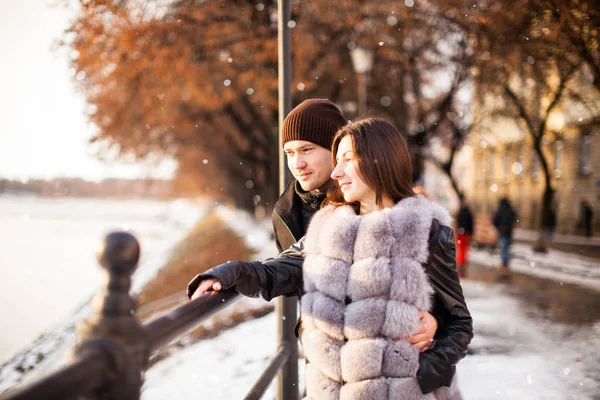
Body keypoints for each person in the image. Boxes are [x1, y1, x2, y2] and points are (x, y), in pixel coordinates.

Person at [188, 102, 472, 395]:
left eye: (347, 159)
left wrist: (425, 372)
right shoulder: (327, 225)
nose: (336, 172)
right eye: (290, 153)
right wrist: (228, 274)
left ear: (379, 160)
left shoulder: (425, 227)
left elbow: (459, 321)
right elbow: (279, 270)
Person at [492, 197, 517, 275]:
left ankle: (504, 265)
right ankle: (506, 264)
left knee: (504, 248)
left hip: (502, 232)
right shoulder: (510, 210)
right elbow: (515, 219)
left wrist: (499, 227)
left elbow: (495, 220)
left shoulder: (500, 210)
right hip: (509, 232)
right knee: (506, 248)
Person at [455, 196, 474, 278]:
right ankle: (461, 261)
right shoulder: (468, 213)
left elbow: (458, 223)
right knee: (464, 248)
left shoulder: (461, 212)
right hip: (464, 233)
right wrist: (471, 233)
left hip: (462, 232)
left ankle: (461, 261)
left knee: (462, 247)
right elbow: (471, 224)